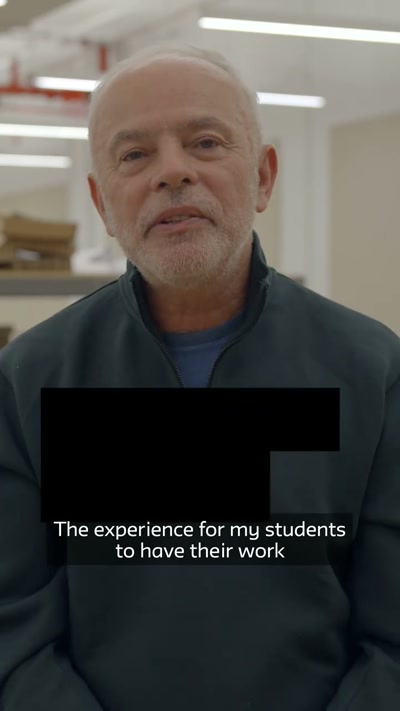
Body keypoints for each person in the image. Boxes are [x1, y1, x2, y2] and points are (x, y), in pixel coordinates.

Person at [0, 42, 399, 711]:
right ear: (101, 201)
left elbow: (392, 640)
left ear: (263, 177)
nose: (172, 172)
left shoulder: (371, 372)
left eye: (206, 143)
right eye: (135, 155)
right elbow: (14, 635)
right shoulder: (28, 382)